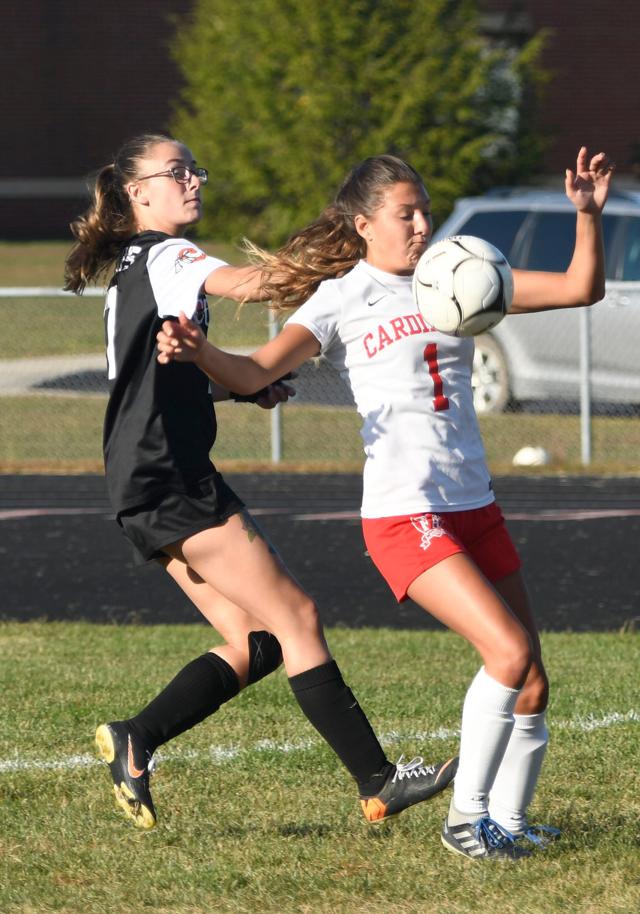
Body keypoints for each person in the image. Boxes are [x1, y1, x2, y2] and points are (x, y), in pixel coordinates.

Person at [156, 146, 614, 860]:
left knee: (532, 682)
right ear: (364, 223)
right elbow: (253, 372)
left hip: (475, 504)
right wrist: (199, 352)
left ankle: (511, 824)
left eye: (426, 210)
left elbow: (583, 288)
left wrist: (588, 215)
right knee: (508, 651)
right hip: (406, 514)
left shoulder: (457, 269)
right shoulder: (341, 299)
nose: (423, 224)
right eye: (407, 213)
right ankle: (467, 826)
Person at [63, 133, 457, 831]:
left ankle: (137, 738)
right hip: (171, 478)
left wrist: (242, 391)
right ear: (137, 193)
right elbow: (258, 285)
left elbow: (152, 388)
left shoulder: (139, 266)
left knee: (260, 640)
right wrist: (342, 246)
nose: (192, 180)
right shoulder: (169, 254)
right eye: (175, 171)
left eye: (195, 168)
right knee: (298, 617)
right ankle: (379, 780)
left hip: (141, 478)